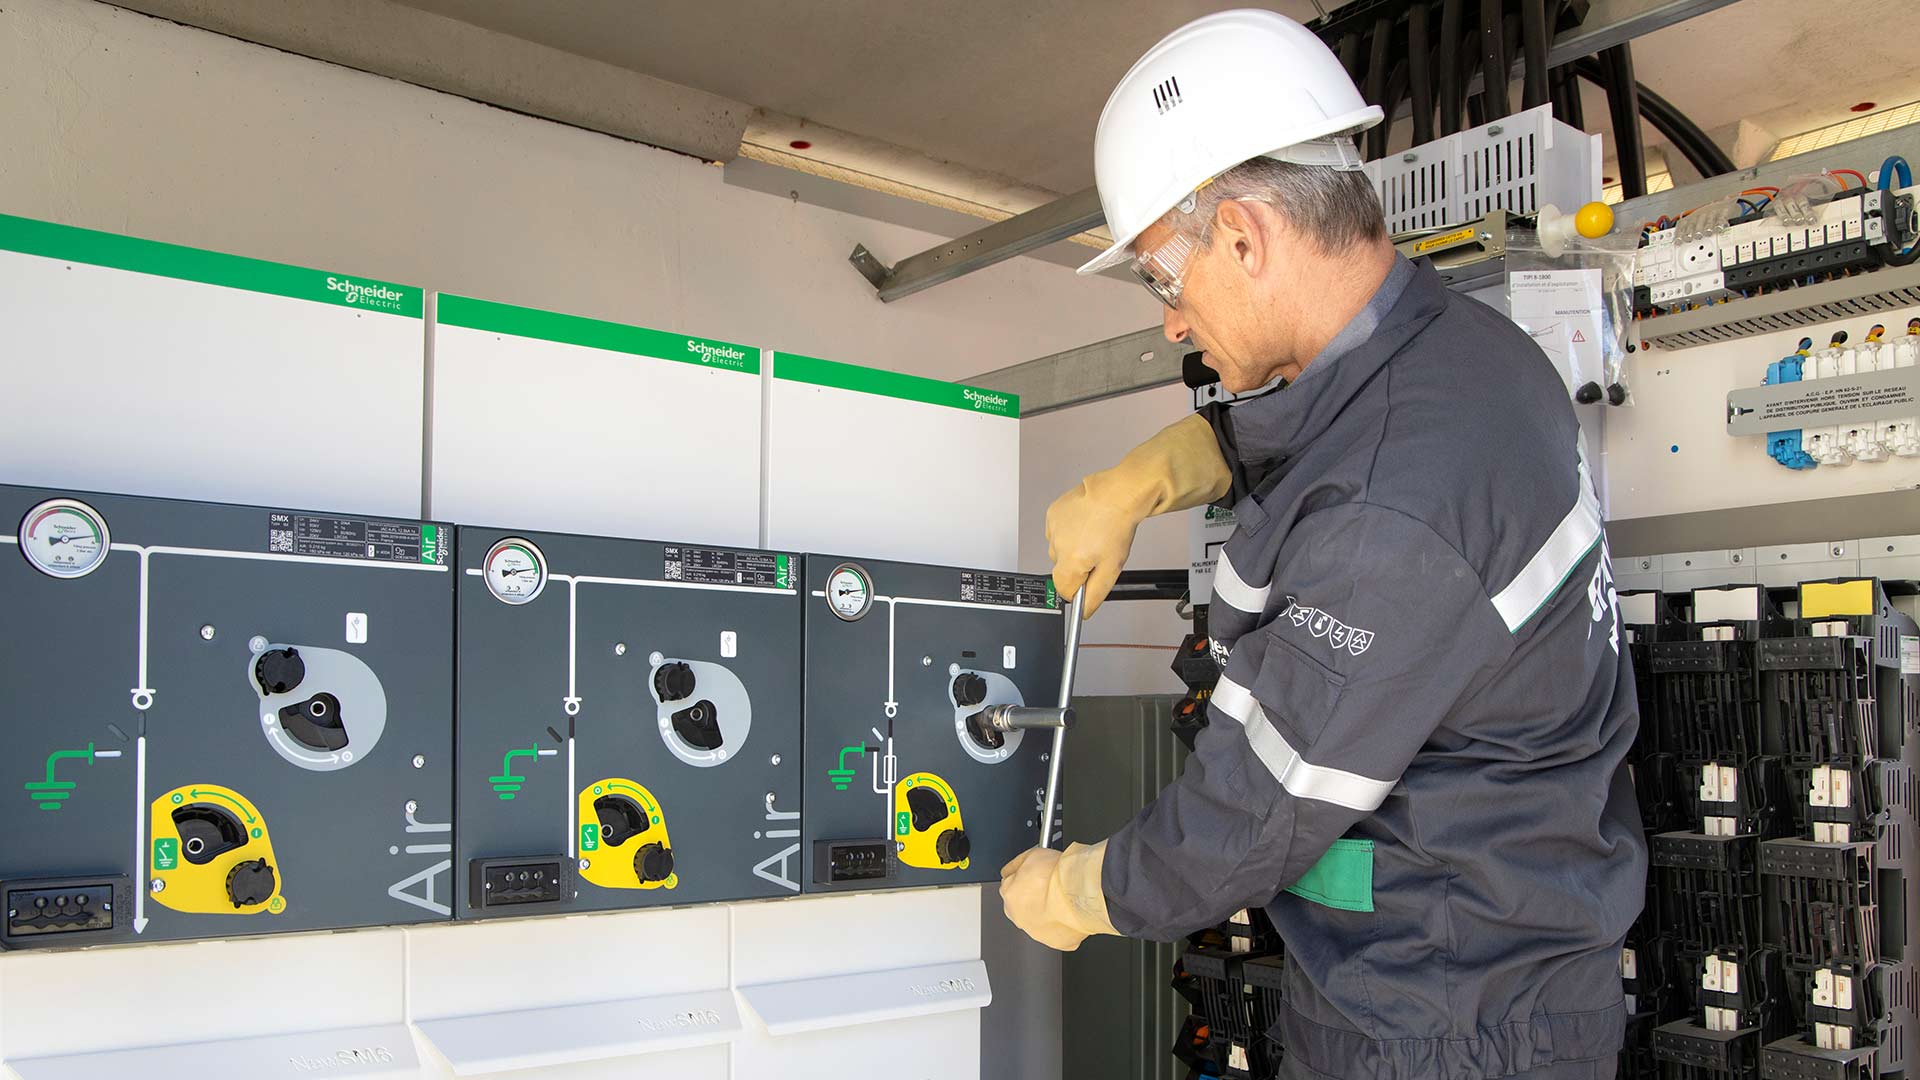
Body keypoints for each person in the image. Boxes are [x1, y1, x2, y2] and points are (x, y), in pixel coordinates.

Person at [997, 10, 1647, 1079]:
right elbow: (1333, 433)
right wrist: (1154, 472)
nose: (1171, 322)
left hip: (1442, 1020)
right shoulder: (1465, 353)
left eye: (1163, 279)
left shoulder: (1398, 509)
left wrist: (1079, 891)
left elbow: (1249, 819)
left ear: (1242, 237)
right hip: (1472, 979)